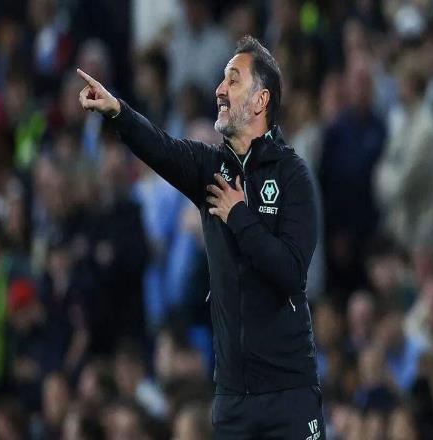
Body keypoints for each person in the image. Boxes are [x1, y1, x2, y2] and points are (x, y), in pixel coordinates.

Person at [77, 35, 324, 439]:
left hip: (288, 394)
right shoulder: (210, 169)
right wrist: (118, 112)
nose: (219, 90)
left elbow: (291, 273)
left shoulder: (293, 176)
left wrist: (239, 216)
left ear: (260, 100)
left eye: (233, 80)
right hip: (232, 400)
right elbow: (161, 147)